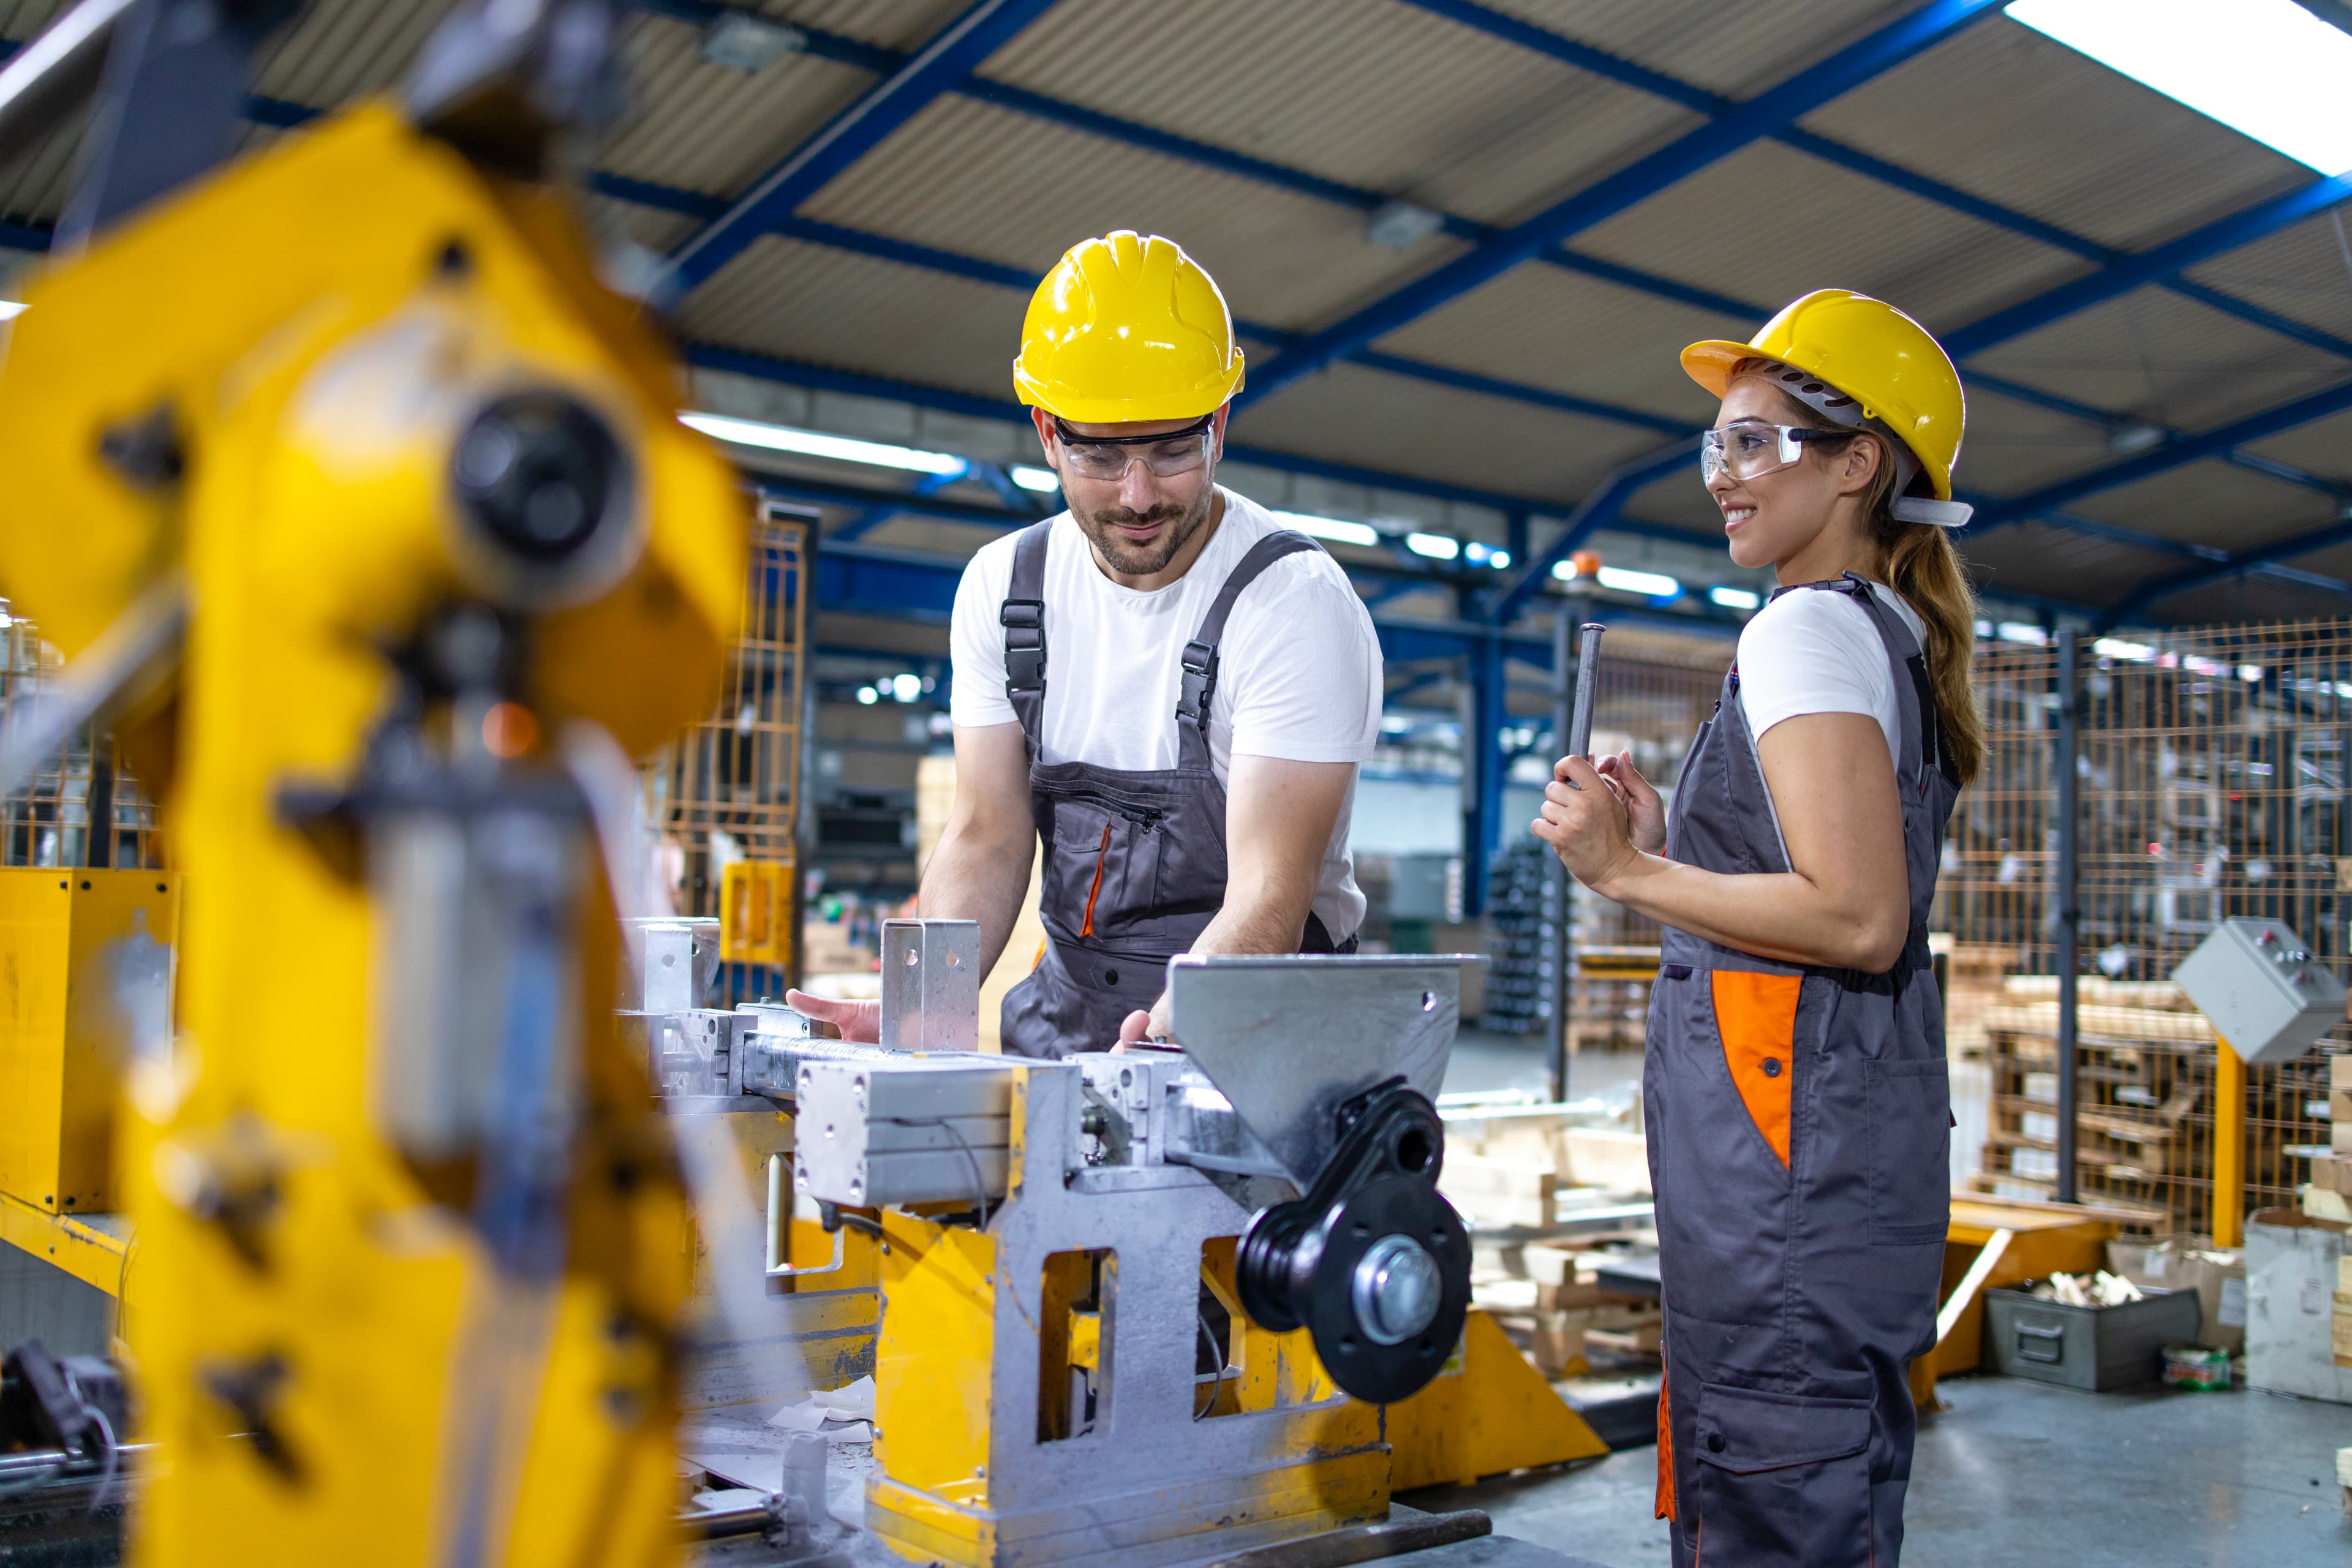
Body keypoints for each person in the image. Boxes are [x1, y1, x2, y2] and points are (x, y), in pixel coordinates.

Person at [1533, 289, 1983, 1567]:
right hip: (1829, 1164)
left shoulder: (1803, 630)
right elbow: (1820, 883)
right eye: (1716, 446)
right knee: (1810, 1485)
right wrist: (1675, 838)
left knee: (1775, 1504)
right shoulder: (1884, 634)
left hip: (1783, 1175)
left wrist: (1626, 873)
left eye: (1756, 443)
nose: (1724, 476)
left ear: (1858, 464)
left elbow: (1854, 913)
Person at [791, 232, 1381, 1056]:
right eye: (1101, 454)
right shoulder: (1004, 589)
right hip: (1066, 1022)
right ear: (1046, 433)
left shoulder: (1292, 605)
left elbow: (1269, 897)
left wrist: (1159, 1057)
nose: (1138, 496)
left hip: (1254, 1028)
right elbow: (986, 834)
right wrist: (916, 1012)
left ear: (1220, 422)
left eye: (1174, 449)